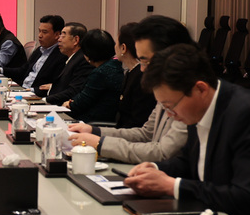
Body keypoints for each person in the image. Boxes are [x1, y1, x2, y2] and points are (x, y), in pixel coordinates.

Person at [123, 43, 250, 215]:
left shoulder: (249, 114)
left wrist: (171, 186)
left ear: (200, 89)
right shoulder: (197, 108)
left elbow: (246, 198)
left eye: (171, 106)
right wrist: (155, 169)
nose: (170, 115)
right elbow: (189, 162)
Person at [68, 15, 191, 164]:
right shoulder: (163, 88)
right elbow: (146, 134)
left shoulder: (187, 95)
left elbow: (163, 153)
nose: (142, 69)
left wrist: (100, 143)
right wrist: (94, 131)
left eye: (145, 60)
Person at [64, 29, 124, 122]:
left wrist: (70, 103)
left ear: (88, 52)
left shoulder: (101, 73)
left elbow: (82, 102)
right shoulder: (116, 65)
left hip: (93, 122)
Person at [115, 21, 157, 128]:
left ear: (123, 48)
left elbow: (137, 122)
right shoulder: (131, 72)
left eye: (116, 43)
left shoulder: (140, 76)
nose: (115, 47)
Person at [7, 14, 65, 89]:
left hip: (34, 93)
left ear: (57, 35)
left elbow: (53, 85)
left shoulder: (61, 55)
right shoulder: (39, 50)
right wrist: (1, 70)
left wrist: (30, 90)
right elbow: (23, 70)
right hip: (23, 88)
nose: (40, 35)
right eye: (39, 31)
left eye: (44, 32)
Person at [43, 22, 92, 103]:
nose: (59, 39)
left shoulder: (83, 60)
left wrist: (44, 100)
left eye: (63, 36)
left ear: (76, 40)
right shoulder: (73, 58)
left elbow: (73, 91)